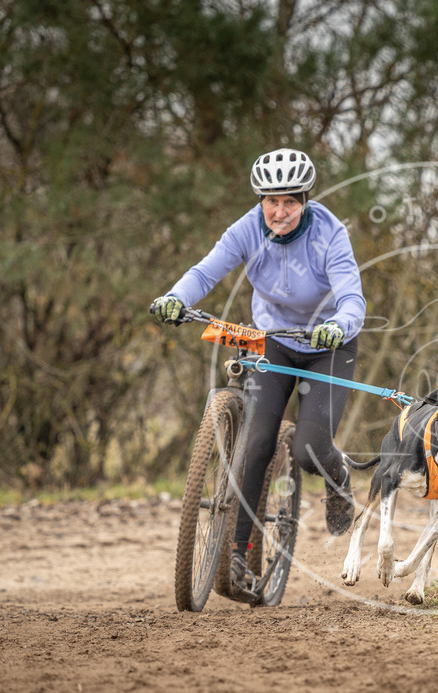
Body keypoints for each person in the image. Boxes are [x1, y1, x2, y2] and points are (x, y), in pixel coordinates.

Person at [151, 148, 365, 590]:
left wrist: (337, 326)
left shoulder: (330, 233)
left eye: (290, 202)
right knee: (257, 444)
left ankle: (339, 479)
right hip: (274, 341)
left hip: (328, 344)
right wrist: (176, 297)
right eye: (271, 202)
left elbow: (352, 298)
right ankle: (238, 555)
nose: (279, 212)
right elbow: (204, 273)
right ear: (260, 201)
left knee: (308, 449)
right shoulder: (246, 229)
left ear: (305, 201)